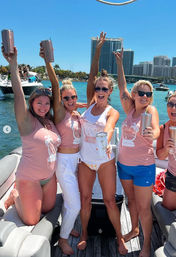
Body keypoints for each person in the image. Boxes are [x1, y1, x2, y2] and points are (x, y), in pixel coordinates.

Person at [77, 32, 128, 255]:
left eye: (104, 89)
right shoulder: (89, 104)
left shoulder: (112, 111)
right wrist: (97, 51)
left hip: (105, 161)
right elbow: (90, 76)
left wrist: (106, 140)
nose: (99, 91)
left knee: (109, 200)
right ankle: (84, 234)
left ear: (110, 92)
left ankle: (119, 238)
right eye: (97, 88)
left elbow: (108, 128)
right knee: (85, 200)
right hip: (85, 161)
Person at [2, 46, 61, 225]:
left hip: (50, 177)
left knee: (48, 209)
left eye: (46, 103)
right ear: (32, 103)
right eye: (39, 103)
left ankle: (27, 197)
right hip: (30, 178)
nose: (43, 106)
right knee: (32, 220)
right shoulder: (26, 122)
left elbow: (59, 92)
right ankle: (15, 194)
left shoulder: (50, 120)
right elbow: (19, 94)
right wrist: (13, 64)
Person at [40, 47, 86, 255]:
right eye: (66, 98)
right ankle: (63, 238)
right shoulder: (59, 113)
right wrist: (48, 62)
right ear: (61, 100)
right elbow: (55, 85)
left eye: (73, 97)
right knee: (75, 204)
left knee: (70, 200)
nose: (70, 101)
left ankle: (67, 228)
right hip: (65, 163)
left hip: (77, 160)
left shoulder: (75, 113)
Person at [114, 49, 160, 257]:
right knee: (130, 202)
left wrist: (154, 134)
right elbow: (121, 86)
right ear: (134, 95)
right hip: (124, 165)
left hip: (143, 167)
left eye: (148, 94)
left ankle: (147, 244)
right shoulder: (129, 109)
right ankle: (134, 229)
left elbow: (157, 128)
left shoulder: (151, 111)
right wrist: (120, 63)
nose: (144, 96)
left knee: (144, 208)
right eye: (140, 93)